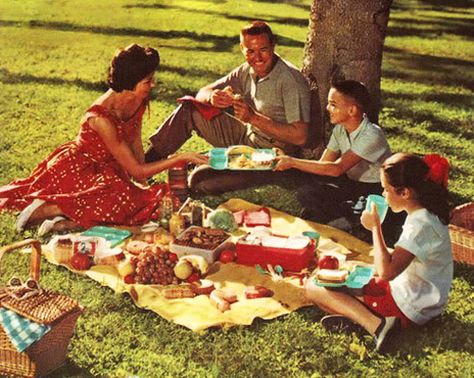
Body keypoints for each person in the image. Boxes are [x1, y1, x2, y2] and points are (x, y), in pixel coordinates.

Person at [0, 44, 208, 234]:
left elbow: (134, 140)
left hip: (108, 172)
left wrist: (142, 184)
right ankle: (52, 207)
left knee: (144, 200)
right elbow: (134, 169)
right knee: (122, 201)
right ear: (130, 83)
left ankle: (63, 222)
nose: (152, 85)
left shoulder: (137, 98)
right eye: (147, 81)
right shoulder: (101, 118)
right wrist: (180, 158)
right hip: (78, 170)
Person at [305, 153, 452, 353]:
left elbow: (386, 272)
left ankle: (378, 326)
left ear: (405, 193)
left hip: (408, 306)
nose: (383, 195)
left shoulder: (418, 225)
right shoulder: (427, 214)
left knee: (314, 287)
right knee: (354, 274)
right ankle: (360, 320)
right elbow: (410, 257)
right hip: (424, 301)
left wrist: (376, 228)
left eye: (385, 189)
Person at [144, 21, 311, 193]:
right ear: (242, 48)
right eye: (251, 51)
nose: (258, 58)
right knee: (189, 109)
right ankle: (146, 165)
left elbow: (300, 137)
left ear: (273, 46)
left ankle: (215, 162)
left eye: (263, 50)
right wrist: (212, 97)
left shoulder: (290, 80)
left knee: (199, 181)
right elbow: (203, 92)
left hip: (272, 157)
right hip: (246, 137)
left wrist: (253, 118)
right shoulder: (246, 70)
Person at [274, 80, 397, 238]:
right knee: (305, 193)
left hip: (374, 190)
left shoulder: (372, 135)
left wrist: (291, 162)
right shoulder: (340, 129)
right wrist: (285, 162)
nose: (327, 108)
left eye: (333, 104)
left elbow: (337, 168)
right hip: (350, 185)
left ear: (352, 110)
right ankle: (344, 217)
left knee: (363, 218)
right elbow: (324, 166)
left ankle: (348, 220)